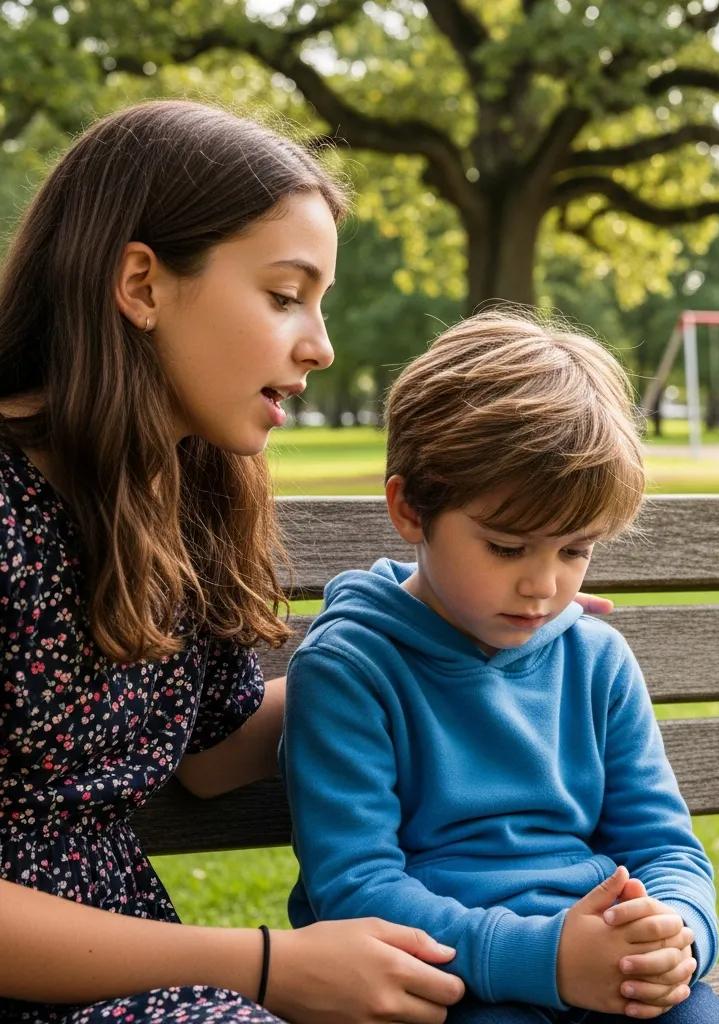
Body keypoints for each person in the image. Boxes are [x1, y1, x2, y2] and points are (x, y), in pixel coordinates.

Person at [0, 99, 472, 1024]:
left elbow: (210, 756)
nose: (321, 344)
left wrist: (454, 647)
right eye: (285, 295)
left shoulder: (177, 498)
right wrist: (262, 964)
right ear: (140, 284)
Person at [280, 312, 719, 1024]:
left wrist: (677, 936)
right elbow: (357, 888)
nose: (543, 586)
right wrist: (544, 959)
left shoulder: (593, 657)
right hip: (447, 983)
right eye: (506, 547)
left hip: (603, 967)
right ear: (410, 509)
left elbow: (664, 846)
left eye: (574, 551)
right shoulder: (350, 667)